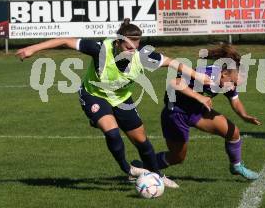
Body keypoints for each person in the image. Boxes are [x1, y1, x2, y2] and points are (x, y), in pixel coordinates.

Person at [16, 19, 211, 188]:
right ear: (118, 43)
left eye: (135, 47)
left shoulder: (142, 54)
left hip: (122, 98)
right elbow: (66, 40)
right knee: (112, 132)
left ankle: (158, 176)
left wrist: (198, 76)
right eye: (128, 48)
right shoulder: (100, 49)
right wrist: (32, 48)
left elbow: (172, 62)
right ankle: (129, 169)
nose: (132, 52)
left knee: (142, 141)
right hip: (95, 94)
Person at [134, 44, 261, 180]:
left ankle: (236, 166)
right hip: (176, 113)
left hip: (197, 112)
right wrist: (199, 97)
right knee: (177, 157)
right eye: (233, 83)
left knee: (233, 132)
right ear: (224, 74)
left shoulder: (227, 80)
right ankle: (141, 167)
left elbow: (235, 101)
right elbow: (174, 82)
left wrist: (244, 115)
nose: (233, 87)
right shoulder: (206, 75)